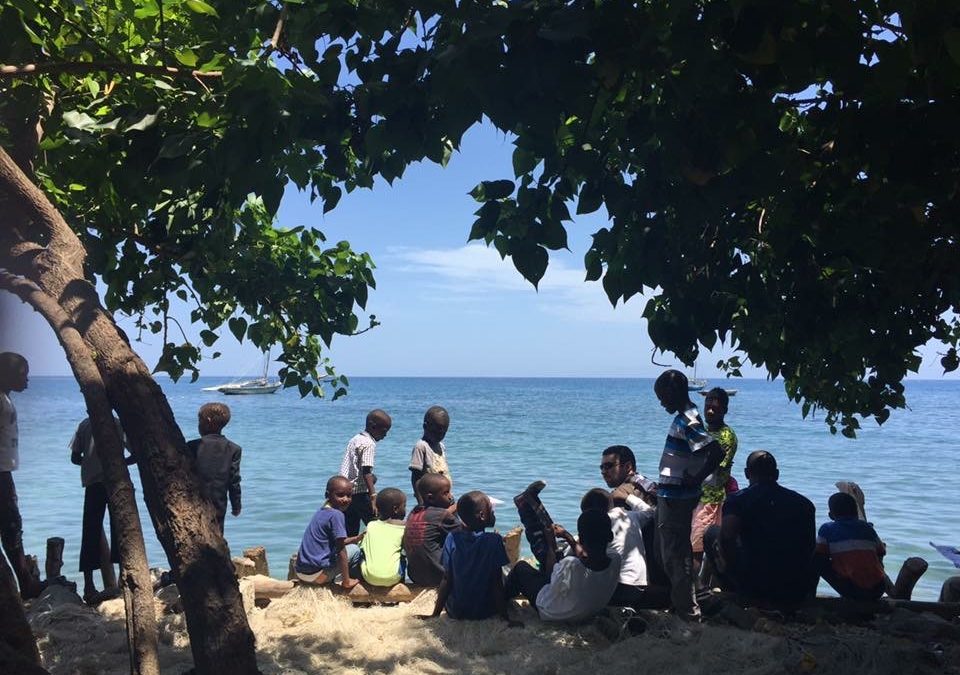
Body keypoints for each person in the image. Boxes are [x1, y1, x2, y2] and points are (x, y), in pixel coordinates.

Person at [653, 370, 725, 620]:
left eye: (662, 397)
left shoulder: (687, 420)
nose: (661, 402)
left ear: (673, 393)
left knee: (675, 556)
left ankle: (688, 612)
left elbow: (715, 451)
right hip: (674, 494)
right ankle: (689, 601)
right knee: (673, 553)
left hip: (676, 499)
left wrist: (696, 477)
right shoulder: (689, 416)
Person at [703, 450, 817, 605]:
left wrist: (728, 565)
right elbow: (809, 546)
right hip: (794, 583)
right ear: (776, 474)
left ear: (746, 473)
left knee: (712, 533)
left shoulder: (738, 500)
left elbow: (727, 536)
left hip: (754, 582)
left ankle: (735, 590)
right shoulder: (804, 504)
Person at [504, 507, 620, 623]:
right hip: (590, 609)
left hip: (556, 614)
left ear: (582, 538)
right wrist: (567, 536)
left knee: (520, 568)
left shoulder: (571, 565)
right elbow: (588, 557)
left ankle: (501, 603)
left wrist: (551, 544)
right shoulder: (615, 558)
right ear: (610, 536)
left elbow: (549, 578)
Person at [421, 491, 517, 624]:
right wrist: (505, 618)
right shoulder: (494, 540)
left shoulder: (452, 537)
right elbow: (496, 583)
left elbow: (447, 579)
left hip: (456, 611)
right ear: (482, 516)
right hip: (486, 611)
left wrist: (435, 614)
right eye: (492, 510)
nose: (494, 513)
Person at [815, 492, 928, 601]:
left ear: (830, 515)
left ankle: (812, 596)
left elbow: (820, 556)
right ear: (856, 513)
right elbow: (881, 551)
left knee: (817, 560)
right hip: (878, 588)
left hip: (852, 590)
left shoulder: (826, 529)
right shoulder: (867, 528)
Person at [69, 415, 133, 603]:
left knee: (90, 531)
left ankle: (89, 585)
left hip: (94, 484)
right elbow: (135, 453)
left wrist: (90, 464)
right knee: (121, 530)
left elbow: (74, 457)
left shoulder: (84, 424)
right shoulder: (118, 423)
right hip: (116, 482)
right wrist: (120, 463)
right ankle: (124, 576)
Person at [580, 488, 666, 608]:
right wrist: (627, 497)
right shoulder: (630, 517)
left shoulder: (599, 523)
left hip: (619, 586)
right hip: (640, 584)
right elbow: (649, 512)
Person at [0, 352, 41, 598]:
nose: (27, 380)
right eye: (23, 374)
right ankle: (26, 584)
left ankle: (23, 583)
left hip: (5, 471)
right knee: (12, 527)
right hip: (1, 473)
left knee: (12, 527)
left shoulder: (5, 399)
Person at [692, 388, 738, 582]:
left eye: (715, 402)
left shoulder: (726, 436)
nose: (710, 406)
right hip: (694, 495)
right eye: (708, 401)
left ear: (725, 409)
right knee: (696, 545)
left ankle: (694, 589)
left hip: (710, 498)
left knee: (697, 547)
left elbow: (714, 468)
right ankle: (698, 588)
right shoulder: (702, 430)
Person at [295, 476, 364, 589]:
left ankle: (337, 578)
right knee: (355, 550)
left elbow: (333, 541)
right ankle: (348, 581)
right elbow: (341, 549)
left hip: (301, 573)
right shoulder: (337, 515)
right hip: (316, 576)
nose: (345, 499)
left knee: (352, 545)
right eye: (340, 495)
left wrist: (355, 539)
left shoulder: (321, 512)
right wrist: (346, 581)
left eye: (349, 495)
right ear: (327, 495)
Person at [186, 402, 242, 535]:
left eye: (199, 421)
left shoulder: (192, 446)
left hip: (193, 500)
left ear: (207, 421)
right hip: (218, 503)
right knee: (217, 535)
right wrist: (236, 505)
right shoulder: (234, 449)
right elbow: (234, 480)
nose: (198, 425)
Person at [339, 409, 392, 537]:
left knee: (350, 529)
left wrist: (372, 478)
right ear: (373, 427)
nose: (385, 435)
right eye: (384, 431)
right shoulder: (369, 444)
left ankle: (350, 553)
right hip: (360, 494)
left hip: (347, 491)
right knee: (377, 524)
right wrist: (373, 495)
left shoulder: (355, 439)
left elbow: (355, 467)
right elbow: (366, 471)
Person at [403, 474, 460, 586]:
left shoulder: (414, 512)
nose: (450, 496)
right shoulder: (442, 515)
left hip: (415, 576)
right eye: (446, 493)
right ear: (430, 498)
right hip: (439, 576)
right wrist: (458, 508)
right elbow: (465, 534)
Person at [356, 488, 407, 587]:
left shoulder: (371, 525)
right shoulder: (404, 528)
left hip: (368, 577)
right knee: (403, 555)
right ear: (396, 509)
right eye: (404, 506)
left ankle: (362, 582)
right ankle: (401, 584)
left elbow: (361, 547)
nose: (405, 509)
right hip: (393, 577)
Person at [409, 406, 452, 500]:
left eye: (443, 433)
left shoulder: (441, 446)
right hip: (429, 499)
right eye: (436, 431)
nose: (439, 435)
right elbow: (416, 477)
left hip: (443, 497)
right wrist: (420, 501)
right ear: (425, 426)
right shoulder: (421, 447)